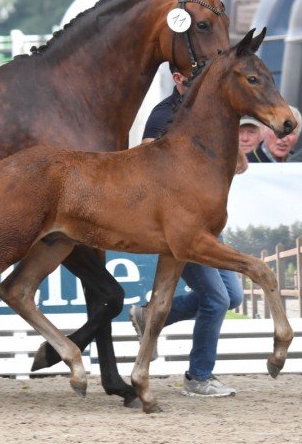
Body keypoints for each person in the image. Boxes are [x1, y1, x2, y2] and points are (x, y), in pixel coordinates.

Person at [129, 68, 244, 397]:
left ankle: (149, 315)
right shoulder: (164, 114)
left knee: (232, 297)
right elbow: (144, 162)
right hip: (178, 222)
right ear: (178, 80)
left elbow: (240, 165)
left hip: (204, 217)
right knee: (217, 299)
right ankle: (199, 377)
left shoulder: (212, 113)